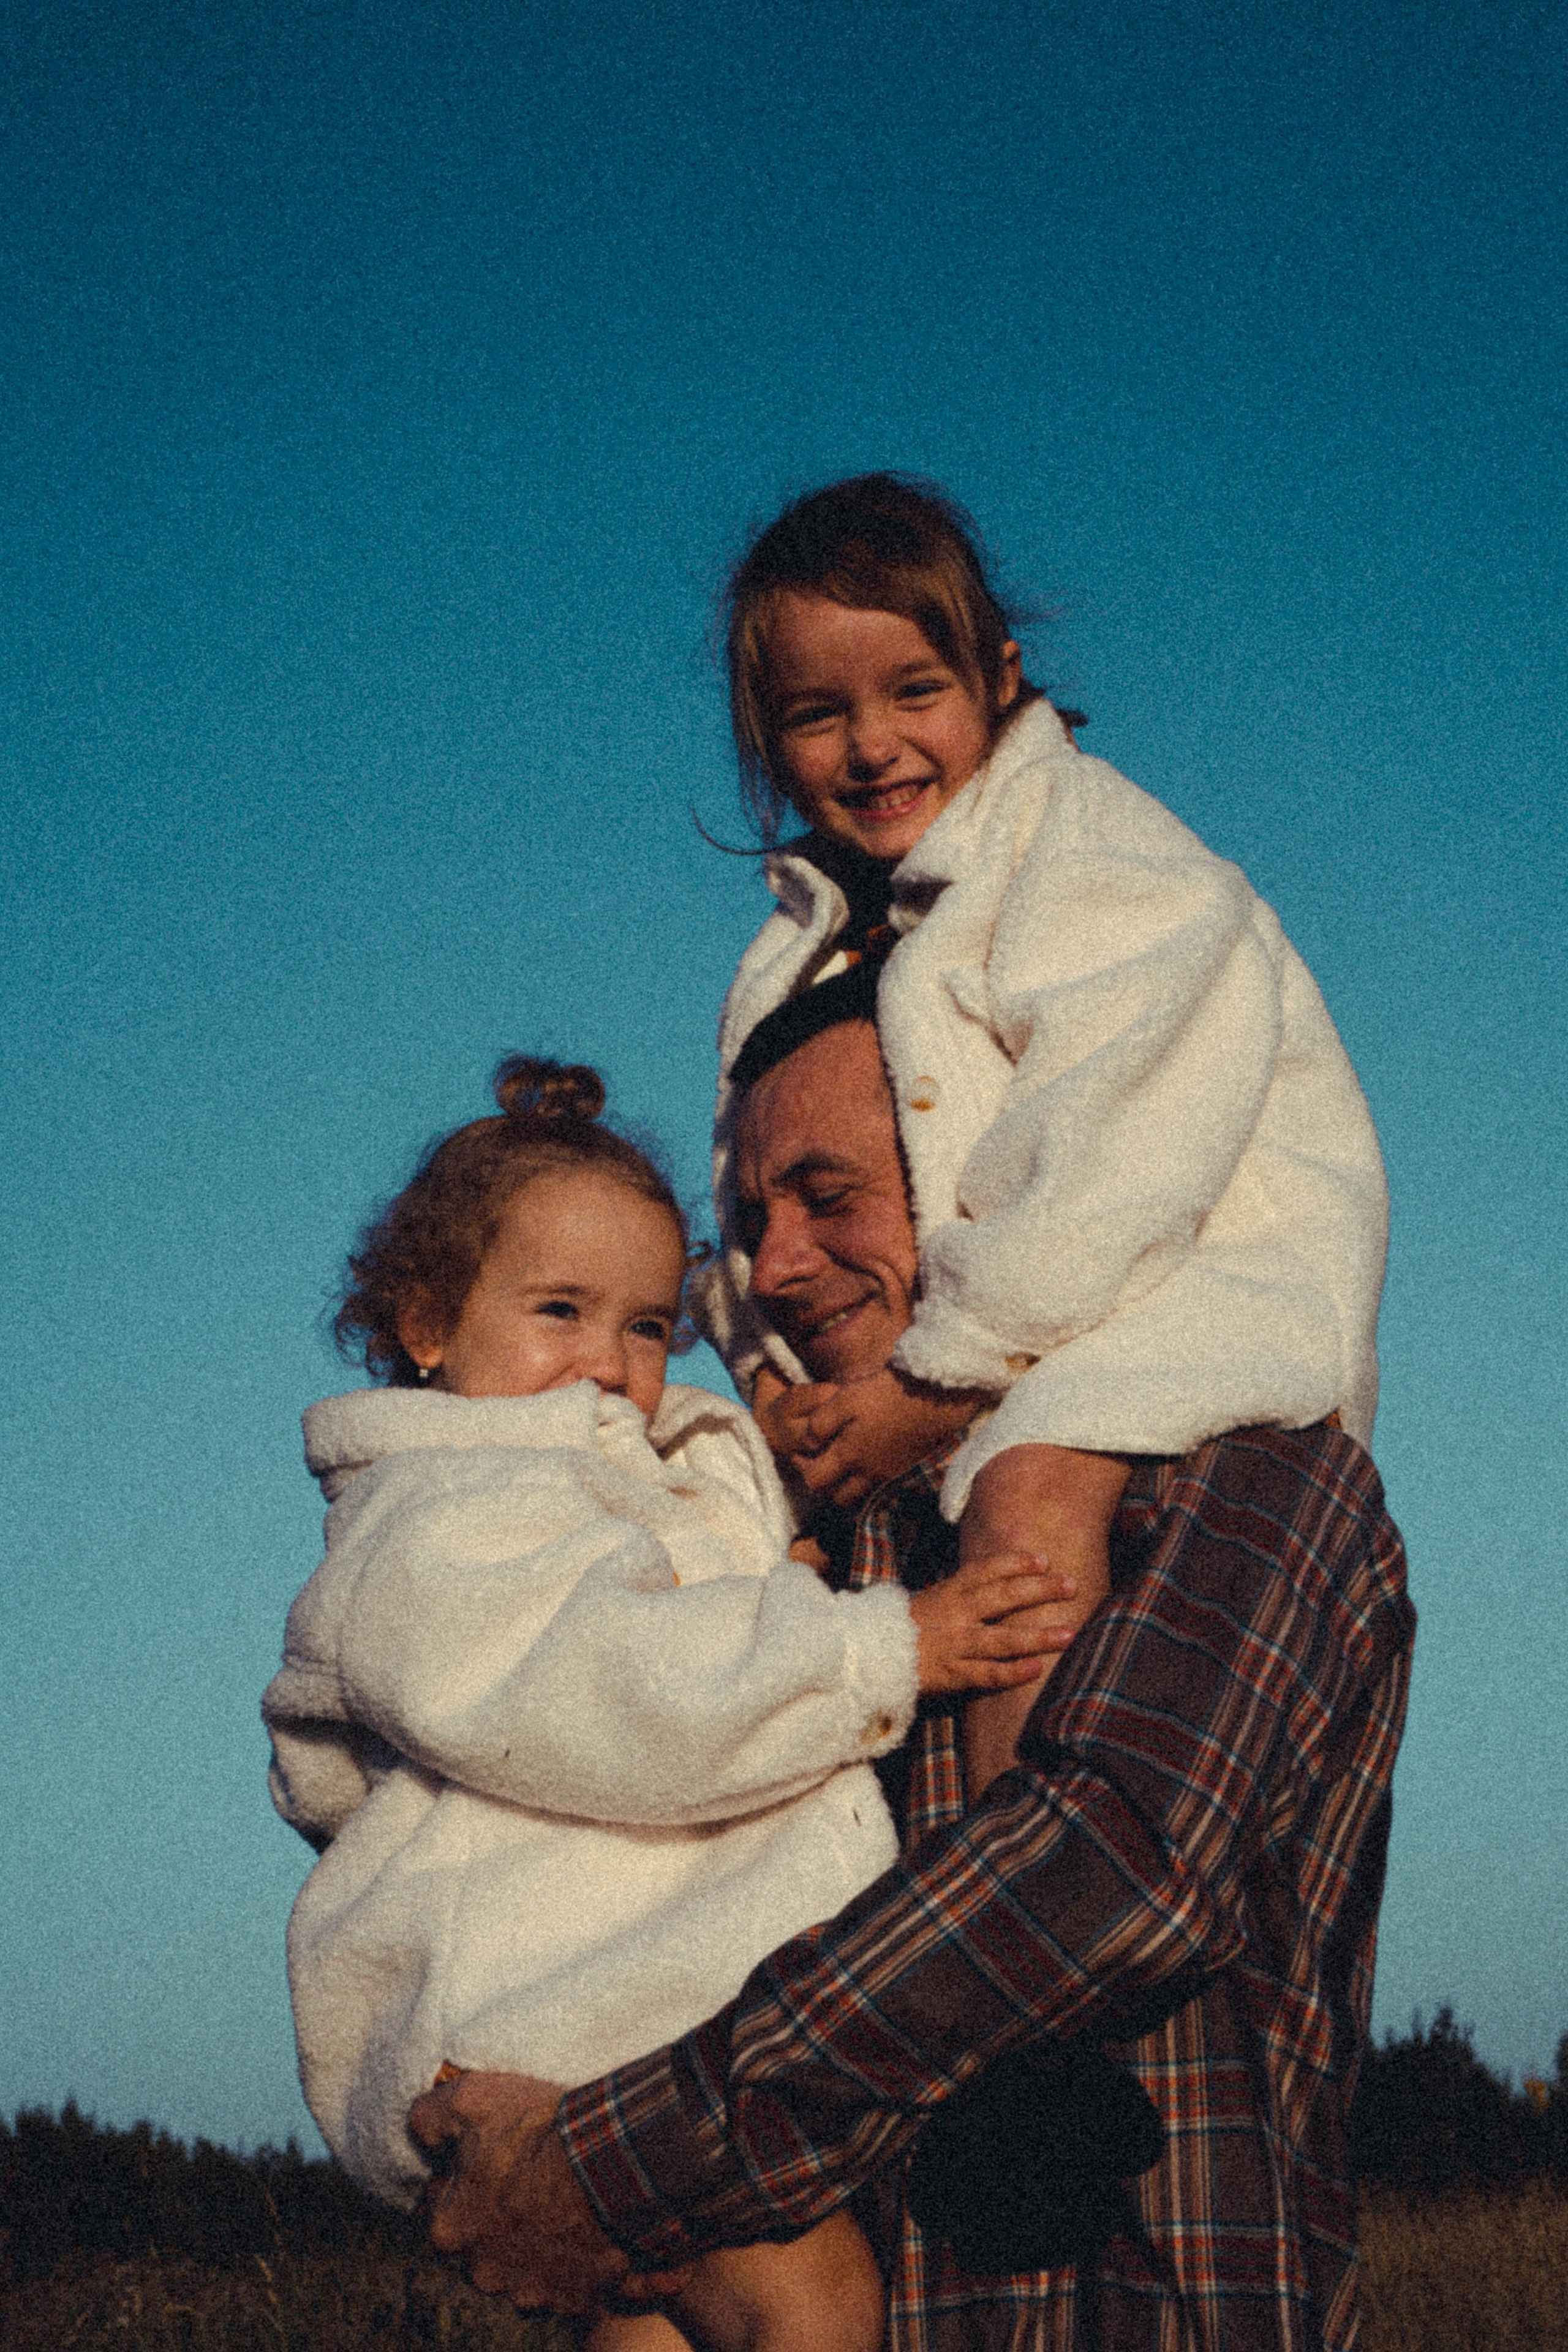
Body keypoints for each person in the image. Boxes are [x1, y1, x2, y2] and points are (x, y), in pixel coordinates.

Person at [408, 1005, 1414, 2352]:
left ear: (991, 1189)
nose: (773, 1268)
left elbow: (1109, 1873)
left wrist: (605, 2166)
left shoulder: (1242, 1474)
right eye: (753, 1220)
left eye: (829, 1199)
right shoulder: (778, 1544)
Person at [264, 1054, 1075, 2352]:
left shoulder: (611, 1482)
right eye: (559, 1310)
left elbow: (634, 1636)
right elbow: (599, 1684)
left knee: (659, 2333)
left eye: (644, 1324)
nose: (607, 1363)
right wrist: (869, 1652)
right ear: (424, 1323)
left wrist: (760, 1580)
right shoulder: (438, 1520)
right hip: (546, 2014)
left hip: (622, 2018)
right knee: (811, 2311)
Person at [701, 474, 1390, 1792]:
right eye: (815, 714)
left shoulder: (1093, 848)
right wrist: (775, 1392)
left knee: (1030, 1489)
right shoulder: (796, 953)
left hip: (1192, 1274)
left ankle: (1013, 1841)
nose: (870, 746)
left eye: (914, 692)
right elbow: (747, 1200)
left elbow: (1115, 1145)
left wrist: (933, 1380)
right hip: (1042, 1305)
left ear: (998, 677)